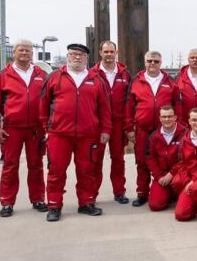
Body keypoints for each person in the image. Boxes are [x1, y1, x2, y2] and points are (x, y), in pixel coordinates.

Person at [40, 43, 111, 221]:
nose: (77, 57)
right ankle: (54, 206)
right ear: (67, 56)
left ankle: (86, 203)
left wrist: (105, 129)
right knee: (56, 170)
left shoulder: (96, 80)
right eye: (73, 54)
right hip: (59, 134)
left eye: (80, 55)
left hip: (88, 134)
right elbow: (42, 105)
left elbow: (104, 108)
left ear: (87, 58)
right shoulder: (55, 77)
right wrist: (46, 128)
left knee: (87, 170)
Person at [0, 39, 47, 217]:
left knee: (36, 165)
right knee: (10, 166)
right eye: (21, 50)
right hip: (12, 129)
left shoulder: (41, 74)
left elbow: (49, 100)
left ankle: (38, 199)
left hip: (36, 128)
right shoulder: (2, 75)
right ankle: (7, 202)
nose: (25, 53)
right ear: (14, 52)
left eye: (28, 50)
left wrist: (47, 126)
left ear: (32, 53)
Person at [126, 50, 180, 207]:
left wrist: (180, 127)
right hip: (143, 128)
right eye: (150, 61)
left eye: (156, 61)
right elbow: (129, 106)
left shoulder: (170, 81)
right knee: (142, 161)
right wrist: (129, 127)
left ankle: (170, 191)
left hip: (164, 129)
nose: (152, 64)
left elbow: (177, 104)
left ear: (161, 63)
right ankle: (142, 193)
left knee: (168, 159)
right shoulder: (137, 81)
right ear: (145, 62)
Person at [92, 40, 132, 204]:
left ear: (116, 53)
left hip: (118, 124)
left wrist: (128, 125)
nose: (109, 55)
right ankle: (91, 193)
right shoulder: (91, 74)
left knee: (118, 159)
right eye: (105, 52)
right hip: (98, 124)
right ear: (100, 53)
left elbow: (129, 102)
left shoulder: (125, 74)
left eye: (111, 52)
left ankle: (119, 192)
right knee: (95, 160)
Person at [146, 105, 186, 211]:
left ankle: (176, 194)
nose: (167, 119)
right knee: (155, 205)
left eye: (169, 116)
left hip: (179, 173)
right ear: (160, 118)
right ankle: (168, 193)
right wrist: (159, 176)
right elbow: (150, 158)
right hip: (162, 175)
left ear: (175, 117)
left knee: (177, 182)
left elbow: (185, 159)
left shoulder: (185, 134)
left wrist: (172, 173)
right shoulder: (154, 136)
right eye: (164, 117)